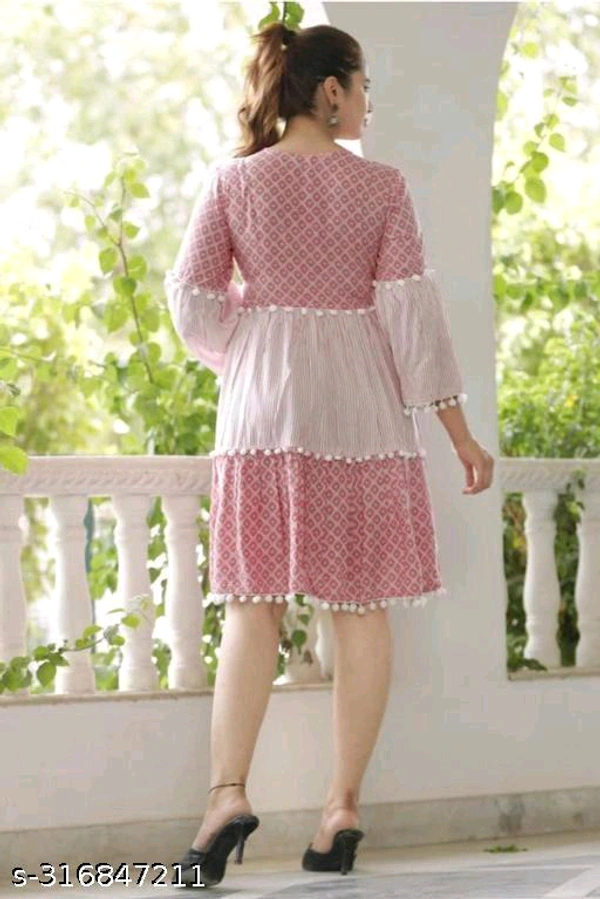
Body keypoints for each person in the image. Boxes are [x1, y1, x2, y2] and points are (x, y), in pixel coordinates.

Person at [164, 19, 494, 889]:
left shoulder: (234, 181)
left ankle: (225, 797)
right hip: (361, 412)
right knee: (361, 607)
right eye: (365, 84)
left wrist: (252, 343)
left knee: (253, 605)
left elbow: (192, 300)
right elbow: (412, 318)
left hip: (262, 408)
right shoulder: (381, 187)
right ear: (333, 89)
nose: (370, 102)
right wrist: (459, 433)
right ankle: (341, 806)